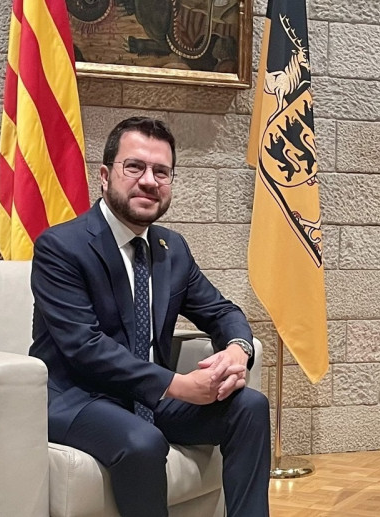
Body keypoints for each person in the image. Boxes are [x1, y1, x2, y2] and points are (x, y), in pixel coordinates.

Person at [29, 117, 270, 517]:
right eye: (135, 167)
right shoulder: (61, 247)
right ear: (105, 176)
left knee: (249, 407)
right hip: (78, 398)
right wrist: (176, 384)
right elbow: (84, 348)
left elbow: (221, 311)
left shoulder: (170, 248)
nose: (149, 181)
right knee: (143, 442)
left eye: (162, 171)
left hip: (149, 397)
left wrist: (238, 350)